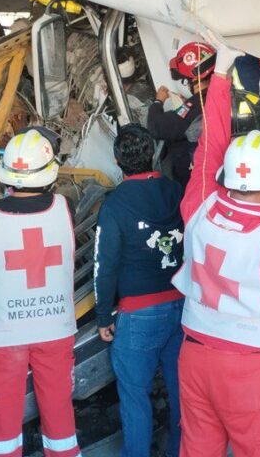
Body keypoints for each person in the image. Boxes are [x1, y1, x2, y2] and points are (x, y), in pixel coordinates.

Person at [170, 35, 260, 456]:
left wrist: (220, 74)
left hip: (195, 356)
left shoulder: (198, 205)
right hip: (250, 369)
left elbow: (211, 141)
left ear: (227, 176)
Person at [0, 127, 81, 457]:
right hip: (55, 326)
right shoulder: (64, 208)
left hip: (7, 333)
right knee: (59, 409)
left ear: (8, 177)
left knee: (2, 415)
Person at [94, 123, 185, 457]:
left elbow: (105, 265)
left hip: (139, 314)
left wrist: (103, 315)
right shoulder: (177, 192)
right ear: (153, 154)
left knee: (135, 397)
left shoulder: (114, 205)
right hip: (182, 306)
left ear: (118, 160)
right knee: (182, 394)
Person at [148, 41, 215, 187]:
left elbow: (156, 127)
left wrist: (158, 101)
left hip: (195, 181)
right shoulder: (222, 95)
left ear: (194, 79)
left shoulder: (195, 106)